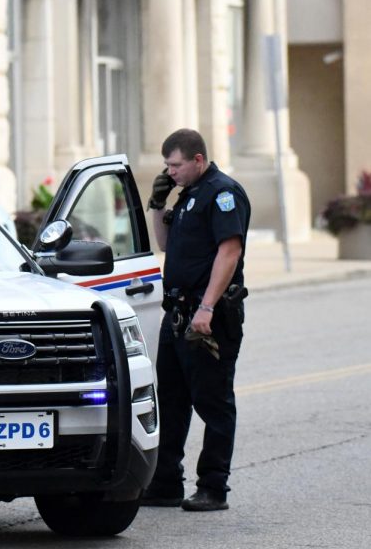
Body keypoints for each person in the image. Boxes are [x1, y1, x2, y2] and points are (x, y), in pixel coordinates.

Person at [141, 128, 251, 512]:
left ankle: (213, 487)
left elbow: (229, 252)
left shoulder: (223, 193)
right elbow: (166, 245)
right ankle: (166, 483)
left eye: (175, 164)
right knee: (170, 402)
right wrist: (158, 204)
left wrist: (206, 308)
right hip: (178, 315)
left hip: (209, 318)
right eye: (167, 166)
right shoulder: (188, 195)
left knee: (213, 402)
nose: (169, 171)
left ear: (198, 160)